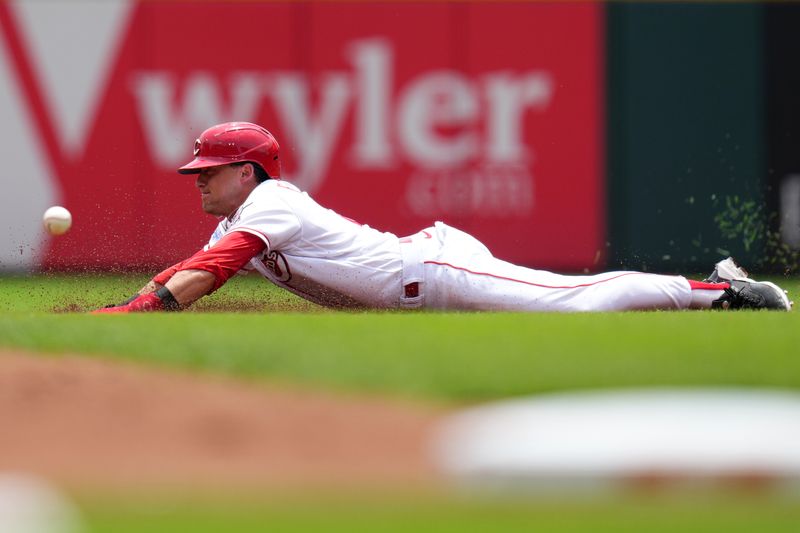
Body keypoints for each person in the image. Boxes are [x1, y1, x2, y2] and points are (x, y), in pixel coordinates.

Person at [94, 122, 792, 314]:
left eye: (208, 171)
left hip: (431, 270)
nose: (199, 182)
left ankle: (724, 289)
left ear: (245, 172)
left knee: (574, 304)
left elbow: (211, 271)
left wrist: (145, 306)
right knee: (567, 302)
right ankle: (714, 288)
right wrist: (145, 299)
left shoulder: (271, 201)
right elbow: (198, 264)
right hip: (417, 283)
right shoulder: (235, 219)